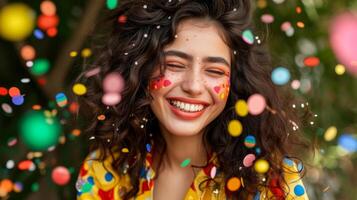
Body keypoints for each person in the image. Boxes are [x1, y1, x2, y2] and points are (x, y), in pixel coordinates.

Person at [75, 0, 310, 199]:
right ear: (142, 69)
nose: (194, 86)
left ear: (237, 84)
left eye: (215, 71)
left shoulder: (271, 182)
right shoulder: (104, 169)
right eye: (175, 65)